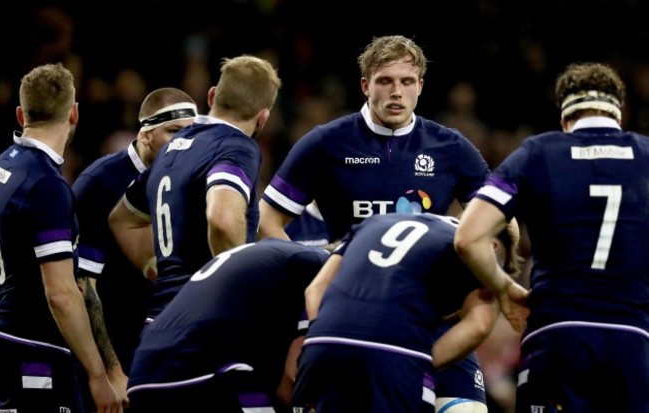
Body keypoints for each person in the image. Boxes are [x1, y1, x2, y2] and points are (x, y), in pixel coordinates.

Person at [259, 35, 492, 412]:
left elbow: (498, 219)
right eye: (385, 81)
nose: (396, 92)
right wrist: (316, 274)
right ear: (365, 85)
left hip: (432, 317)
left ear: (421, 86)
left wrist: (472, 269)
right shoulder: (325, 143)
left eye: (406, 81)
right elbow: (268, 219)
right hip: (355, 321)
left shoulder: (451, 147)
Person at [453, 62, 649, 413]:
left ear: (564, 119)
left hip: (557, 336)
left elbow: (468, 237)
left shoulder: (539, 152)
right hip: (635, 343)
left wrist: (502, 287)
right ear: (620, 115)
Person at [109, 55, 282, 323]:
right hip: (202, 323)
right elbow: (222, 220)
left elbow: (122, 219)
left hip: (158, 320)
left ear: (212, 96)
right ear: (263, 117)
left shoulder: (171, 148)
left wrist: (154, 268)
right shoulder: (236, 146)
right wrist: (238, 292)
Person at [292, 212, 522, 413]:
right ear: (493, 246)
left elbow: (315, 289)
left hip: (321, 346)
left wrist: (322, 336)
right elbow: (479, 324)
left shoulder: (374, 222)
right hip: (393, 354)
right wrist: (420, 362)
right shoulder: (476, 245)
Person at [0, 63, 123, 412]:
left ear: (21, 113)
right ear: (74, 114)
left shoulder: (5, 165)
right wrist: (98, 376)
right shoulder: (46, 185)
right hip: (32, 351)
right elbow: (61, 293)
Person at [72, 87, 198, 374]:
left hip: (167, 341)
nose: (184, 143)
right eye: (174, 131)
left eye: (191, 133)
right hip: (117, 343)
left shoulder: (192, 180)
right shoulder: (98, 183)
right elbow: (85, 285)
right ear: (145, 135)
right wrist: (110, 371)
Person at [125, 238, 331, 413]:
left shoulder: (277, 258)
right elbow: (294, 380)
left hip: (142, 376)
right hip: (203, 372)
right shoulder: (317, 269)